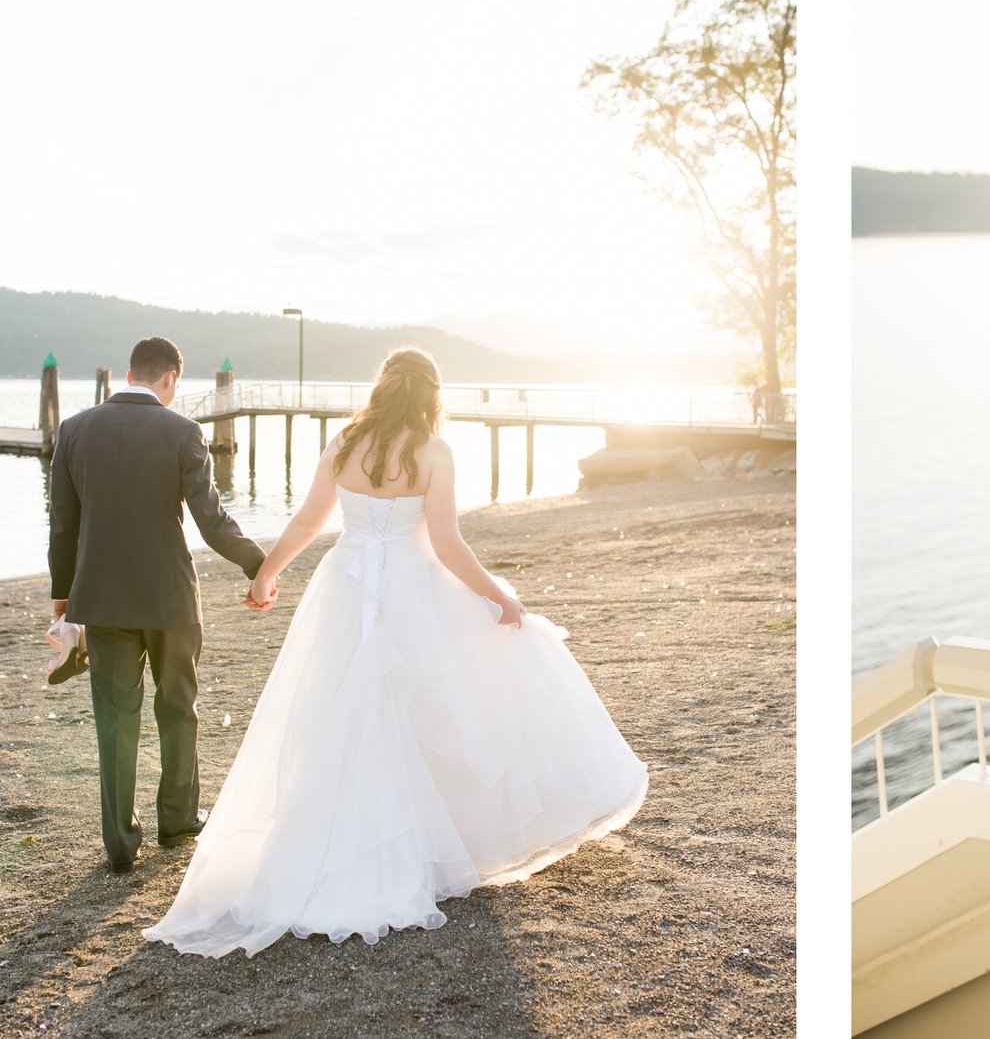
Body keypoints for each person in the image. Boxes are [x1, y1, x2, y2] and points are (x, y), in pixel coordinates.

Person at [144, 348, 648, 957]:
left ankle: (342, 849)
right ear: (431, 395)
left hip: (346, 584)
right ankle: (424, 849)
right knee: (427, 712)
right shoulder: (434, 452)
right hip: (414, 589)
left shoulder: (344, 443)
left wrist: (265, 576)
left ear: (382, 388)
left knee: (341, 716)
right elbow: (446, 541)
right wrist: (498, 598)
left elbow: (306, 523)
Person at [49, 337, 271, 875]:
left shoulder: (74, 430)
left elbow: (62, 526)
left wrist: (64, 602)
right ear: (171, 378)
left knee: (115, 721)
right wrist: (258, 565)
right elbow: (211, 521)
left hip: (100, 601)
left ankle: (120, 845)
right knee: (178, 709)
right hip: (171, 601)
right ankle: (177, 822)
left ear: (129, 373)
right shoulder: (182, 431)